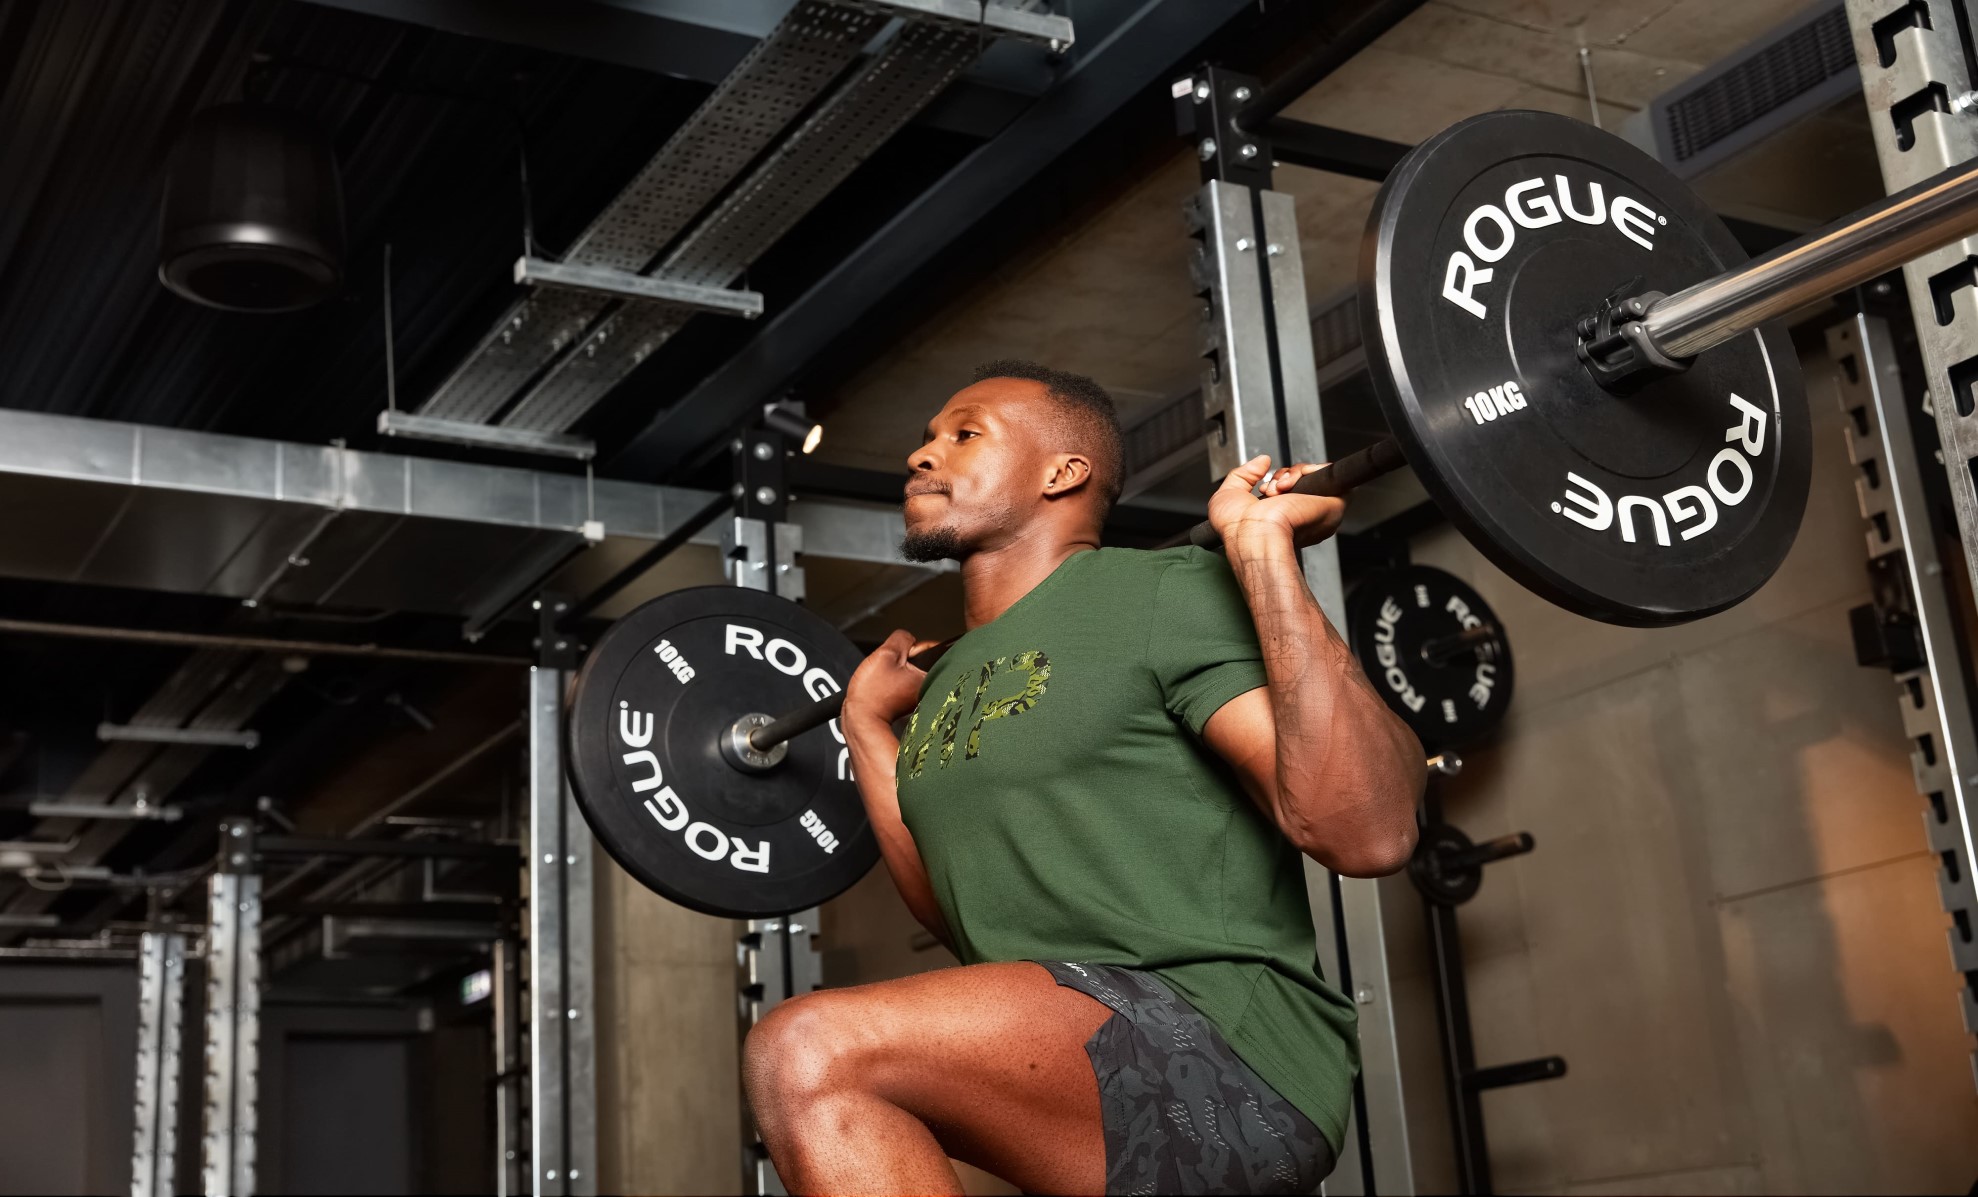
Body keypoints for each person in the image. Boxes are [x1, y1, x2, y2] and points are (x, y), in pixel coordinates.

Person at [743, 360, 1425, 1196]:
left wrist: (1260, 553)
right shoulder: (948, 682)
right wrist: (864, 728)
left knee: (809, 1047)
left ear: (1062, 474)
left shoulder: (1159, 591)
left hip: (1224, 1044)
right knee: (817, 1055)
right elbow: (964, 911)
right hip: (1072, 1034)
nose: (923, 455)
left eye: (964, 434)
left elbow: (1368, 828)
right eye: (926, 438)